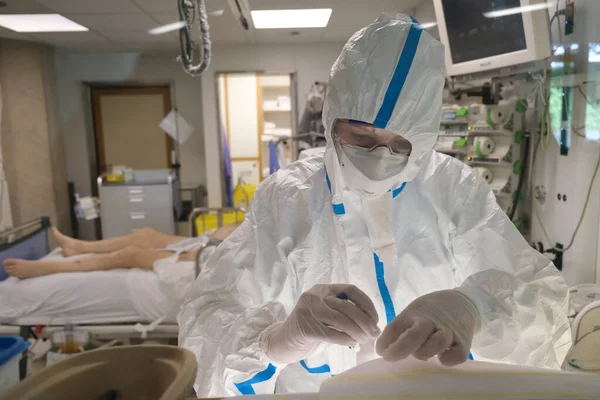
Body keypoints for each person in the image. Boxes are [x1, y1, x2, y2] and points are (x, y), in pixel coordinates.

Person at [178, 13, 570, 397]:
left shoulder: (453, 189)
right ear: (332, 120)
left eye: (399, 144)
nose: (379, 156)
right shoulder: (288, 199)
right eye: (361, 135)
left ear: (423, 140)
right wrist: (277, 341)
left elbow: (541, 297)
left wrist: (474, 307)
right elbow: (207, 316)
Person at [4, 224, 239, 280]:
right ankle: (80, 247)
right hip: (208, 246)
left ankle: (48, 268)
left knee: (132, 254)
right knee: (145, 235)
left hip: (211, 260)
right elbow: (234, 229)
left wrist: (201, 254)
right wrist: (205, 242)